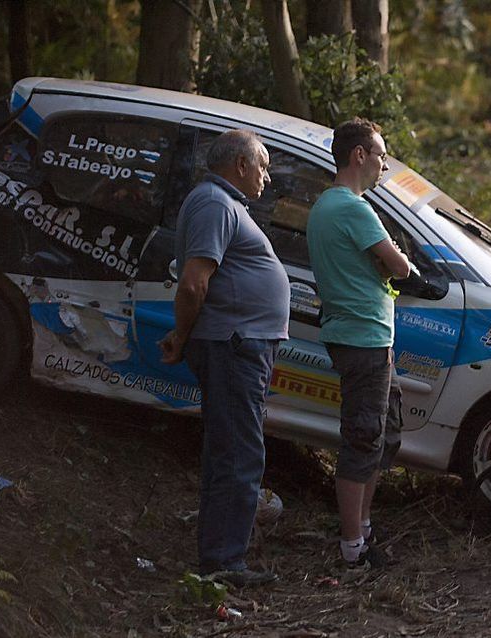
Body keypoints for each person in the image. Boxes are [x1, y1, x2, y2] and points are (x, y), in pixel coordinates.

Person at [159, 129, 287, 587]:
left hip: (238, 344)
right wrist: (181, 333)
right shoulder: (215, 203)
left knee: (228, 451)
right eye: (264, 166)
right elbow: (194, 283)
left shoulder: (221, 202)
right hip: (233, 345)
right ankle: (224, 563)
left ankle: (219, 557)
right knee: (239, 455)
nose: (267, 177)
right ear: (240, 165)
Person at [306, 118, 410, 569]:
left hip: (363, 335)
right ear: (359, 155)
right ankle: (353, 546)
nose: (385, 164)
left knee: (382, 431)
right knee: (364, 436)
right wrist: (395, 260)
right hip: (362, 337)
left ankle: (363, 530)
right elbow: (400, 267)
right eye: (381, 155)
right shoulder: (352, 208)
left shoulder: (328, 205)